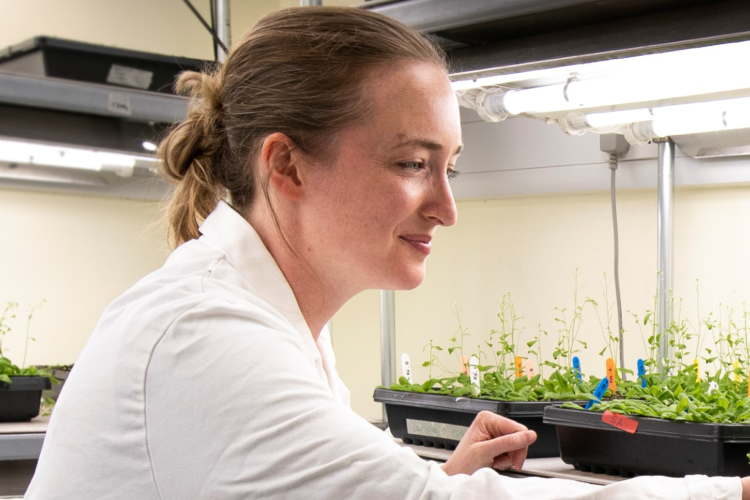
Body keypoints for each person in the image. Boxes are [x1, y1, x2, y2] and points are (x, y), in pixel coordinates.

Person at [25, 6, 750, 499]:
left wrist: (438, 477)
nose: (446, 206)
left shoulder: (261, 316)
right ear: (287, 167)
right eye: (411, 164)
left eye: (451, 167)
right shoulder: (205, 341)